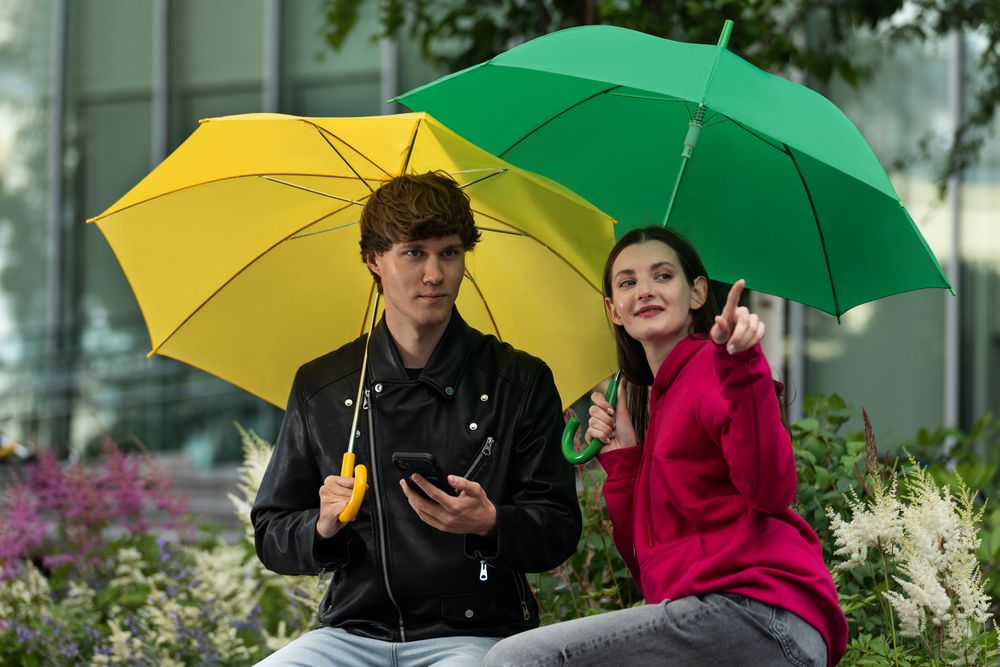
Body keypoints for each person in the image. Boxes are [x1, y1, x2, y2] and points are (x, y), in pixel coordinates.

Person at [251, 171, 582, 666]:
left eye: (449, 253)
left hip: (477, 635)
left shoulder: (519, 380)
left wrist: (492, 522)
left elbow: (559, 527)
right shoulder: (323, 385)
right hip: (351, 633)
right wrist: (320, 526)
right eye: (414, 253)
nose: (435, 274)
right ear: (373, 260)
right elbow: (270, 531)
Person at [484, 226, 848, 666]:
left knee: (516, 659)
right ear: (613, 310)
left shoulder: (714, 367)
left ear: (697, 293)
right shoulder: (661, 398)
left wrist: (743, 368)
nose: (644, 291)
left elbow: (771, 491)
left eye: (662, 276)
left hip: (758, 612)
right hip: (723, 620)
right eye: (627, 282)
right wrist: (624, 462)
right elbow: (651, 574)